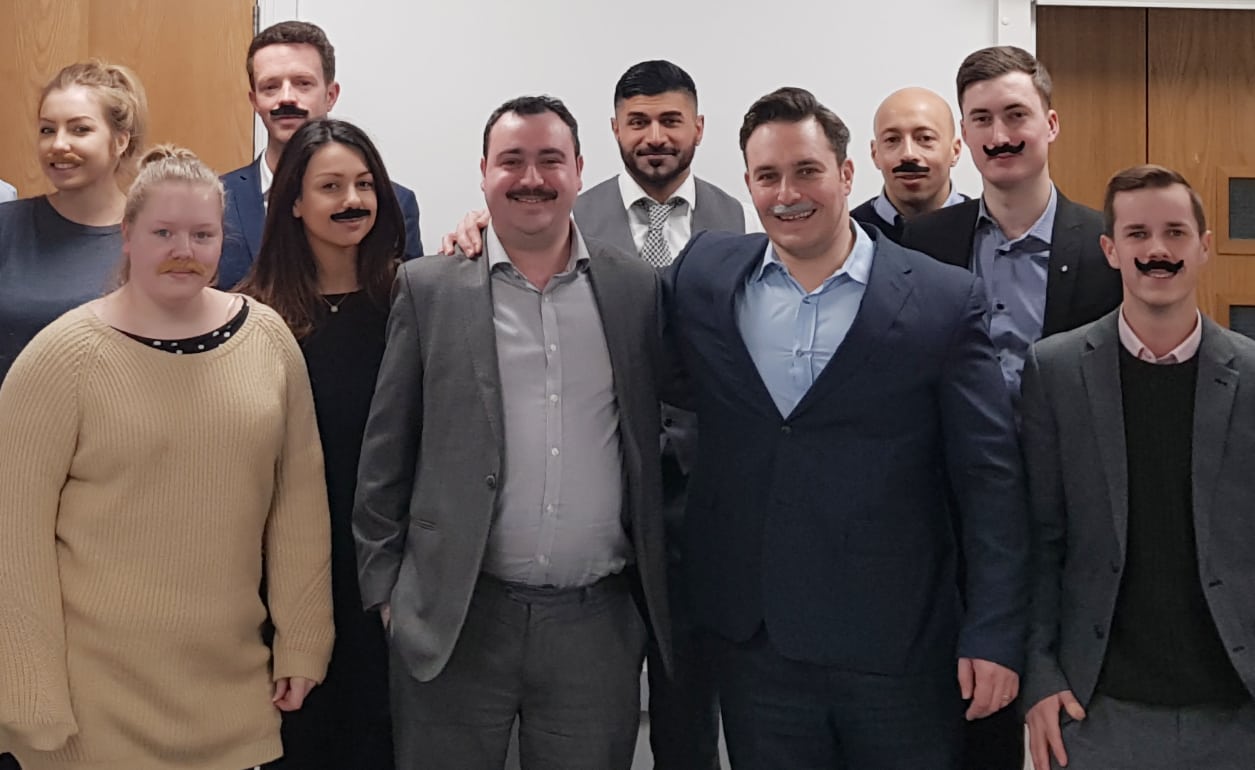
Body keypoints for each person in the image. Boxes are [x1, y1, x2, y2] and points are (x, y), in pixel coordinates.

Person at [664, 86, 1028, 769]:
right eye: (766, 177)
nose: (786, 193)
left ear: (845, 174)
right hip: (756, 646)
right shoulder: (705, 276)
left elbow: (989, 480)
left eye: (805, 171)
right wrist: (482, 235)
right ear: (747, 184)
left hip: (897, 647)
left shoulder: (941, 301)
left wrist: (994, 630)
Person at [354, 95, 672, 770]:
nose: (532, 178)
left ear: (580, 170)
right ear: (483, 172)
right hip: (457, 619)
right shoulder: (430, 289)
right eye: (512, 161)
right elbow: (385, 454)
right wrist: (387, 596)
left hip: (596, 623)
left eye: (550, 160)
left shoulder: (635, 288)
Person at [0, 145, 334, 770]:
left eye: (202, 234)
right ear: (126, 236)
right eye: (163, 232)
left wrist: (305, 638)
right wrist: (28, 690)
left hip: (232, 694)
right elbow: (12, 539)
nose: (185, 250)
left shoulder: (267, 341)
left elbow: (299, 505)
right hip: (92, 705)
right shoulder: (60, 358)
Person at [900, 46, 1124, 769]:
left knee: (1067, 725)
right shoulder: (925, 243)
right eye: (981, 119)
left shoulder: (1104, 249)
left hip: (1063, 522)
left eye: (1015, 115)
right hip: (947, 523)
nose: (999, 134)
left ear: (1050, 124)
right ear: (963, 136)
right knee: (965, 725)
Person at [1020, 164, 1255, 770]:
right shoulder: (1055, 372)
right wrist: (1040, 677)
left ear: (1204, 247)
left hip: (1238, 706)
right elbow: (1040, 539)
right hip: (1097, 709)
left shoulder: (1253, 377)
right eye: (1138, 234)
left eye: (1176, 233)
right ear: (1110, 249)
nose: (1157, 250)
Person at [238, 118, 403, 770]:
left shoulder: (414, 299)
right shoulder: (251, 316)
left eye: (364, 184)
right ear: (294, 202)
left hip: (388, 575)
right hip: (287, 579)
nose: (352, 200)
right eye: (330, 186)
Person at [220, 20, 423, 288]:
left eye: (303, 83)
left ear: (330, 95)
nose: (287, 98)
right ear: (255, 101)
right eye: (271, 87)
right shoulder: (217, 201)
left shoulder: (394, 203)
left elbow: (409, 311)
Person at [0, 60, 147, 385]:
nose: (58, 144)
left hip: (114, 430)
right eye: (47, 130)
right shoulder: (7, 226)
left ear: (120, 141)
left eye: (80, 129)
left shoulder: (153, 239)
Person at [850, 86, 967, 244]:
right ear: (875, 153)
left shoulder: (985, 229)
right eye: (892, 140)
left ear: (956, 150)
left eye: (925, 138)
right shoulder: (849, 236)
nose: (908, 154)